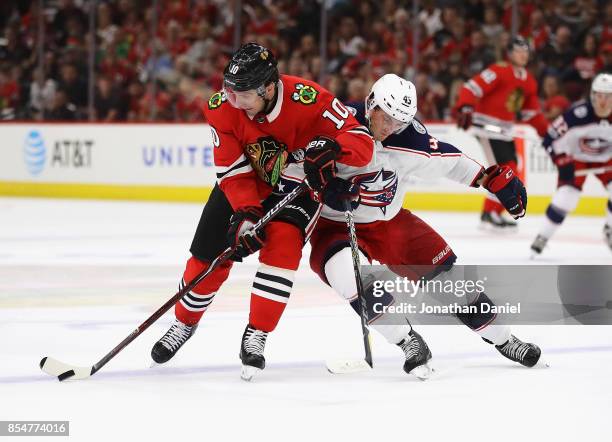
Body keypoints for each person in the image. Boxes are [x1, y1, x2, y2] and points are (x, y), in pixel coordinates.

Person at [149, 43, 374, 381]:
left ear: (268, 88)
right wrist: (245, 213)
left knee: (282, 247)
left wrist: (334, 147)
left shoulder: (309, 99)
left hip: (296, 185)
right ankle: (184, 322)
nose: (232, 101)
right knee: (208, 251)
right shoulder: (222, 108)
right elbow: (232, 170)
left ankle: (258, 332)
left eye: (242, 94)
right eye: (229, 90)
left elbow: (362, 141)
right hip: (246, 182)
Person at [306, 74, 541, 376]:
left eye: (399, 121)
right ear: (370, 103)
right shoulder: (335, 124)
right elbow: (300, 165)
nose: (390, 128)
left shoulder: (409, 139)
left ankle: (504, 338)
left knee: (450, 282)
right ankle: (408, 342)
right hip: (335, 226)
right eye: (386, 117)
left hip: (390, 222)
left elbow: (450, 160)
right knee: (349, 279)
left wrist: (489, 179)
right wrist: (321, 188)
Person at [454, 36, 549, 229]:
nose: (523, 55)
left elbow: (532, 113)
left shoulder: (529, 81)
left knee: (511, 170)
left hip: (504, 131)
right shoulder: (499, 71)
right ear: (510, 53)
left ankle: (493, 212)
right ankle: (488, 213)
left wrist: (546, 133)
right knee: (501, 171)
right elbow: (472, 88)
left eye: (526, 51)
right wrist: (465, 107)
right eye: (519, 51)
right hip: (487, 130)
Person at [531, 72, 612, 256]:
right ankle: (543, 236)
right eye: (600, 95)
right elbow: (549, 139)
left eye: (608, 97)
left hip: (607, 159)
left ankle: (610, 229)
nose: (603, 101)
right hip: (577, 159)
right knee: (566, 197)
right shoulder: (577, 114)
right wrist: (561, 160)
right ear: (592, 95)